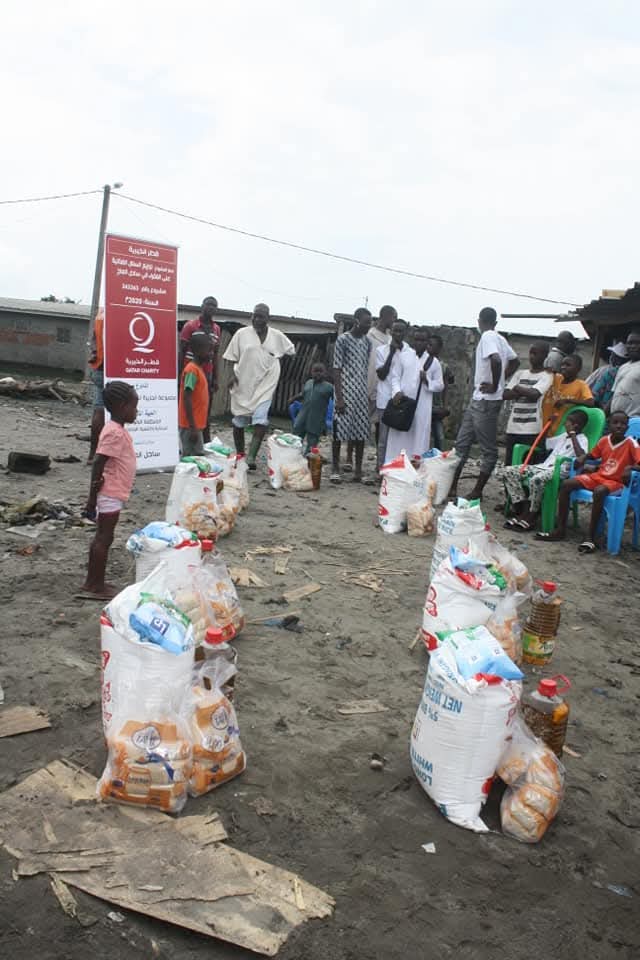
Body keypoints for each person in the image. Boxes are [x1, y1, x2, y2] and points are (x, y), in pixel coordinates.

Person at [537, 411, 640, 552]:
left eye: (623, 424)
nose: (619, 426)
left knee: (599, 491)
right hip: (599, 476)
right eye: (615, 422)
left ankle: (590, 537)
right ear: (609, 425)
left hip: (616, 482)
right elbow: (593, 454)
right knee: (567, 484)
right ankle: (560, 530)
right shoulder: (604, 440)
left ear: (627, 427)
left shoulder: (631, 444)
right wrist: (584, 457)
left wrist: (629, 468)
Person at [449, 307, 519, 500]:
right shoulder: (500, 339)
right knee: (461, 444)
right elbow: (515, 362)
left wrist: (495, 385)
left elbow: (495, 359)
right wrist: (501, 380)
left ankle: (477, 491)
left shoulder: (488, 336)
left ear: (479, 321)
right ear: (495, 322)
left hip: (487, 401)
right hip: (479, 400)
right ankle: (452, 487)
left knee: (488, 450)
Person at [81, 381, 138, 599]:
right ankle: (95, 585)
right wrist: (92, 498)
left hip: (112, 492)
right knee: (104, 538)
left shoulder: (115, 429)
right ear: (122, 407)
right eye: (134, 406)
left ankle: (94, 581)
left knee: (102, 538)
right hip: (109, 493)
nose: (136, 411)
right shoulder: (114, 433)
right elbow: (98, 462)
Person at [223, 303, 295, 469]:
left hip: (266, 383)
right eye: (254, 315)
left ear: (268, 318)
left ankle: (251, 458)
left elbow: (291, 351)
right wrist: (232, 375)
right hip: (244, 382)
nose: (256, 319)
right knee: (239, 421)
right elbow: (232, 356)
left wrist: (274, 361)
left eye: (261, 316)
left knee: (261, 420)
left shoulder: (276, 335)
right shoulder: (242, 334)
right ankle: (240, 455)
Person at [502, 410, 588, 531]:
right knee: (509, 472)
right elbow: (544, 444)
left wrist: (573, 435)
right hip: (543, 467)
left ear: (575, 425)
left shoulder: (583, 439)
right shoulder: (563, 436)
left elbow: (581, 456)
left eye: (567, 422)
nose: (564, 424)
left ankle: (532, 515)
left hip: (559, 471)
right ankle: (522, 509)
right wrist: (549, 426)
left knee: (536, 479)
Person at [384, 326, 444, 463]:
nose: (419, 343)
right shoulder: (404, 356)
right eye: (416, 339)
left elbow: (440, 385)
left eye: (422, 340)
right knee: (398, 437)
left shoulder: (433, 362)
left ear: (427, 342)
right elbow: (395, 377)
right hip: (402, 405)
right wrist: (397, 391)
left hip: (422, 407)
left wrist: (427, 381)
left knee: (418, 437)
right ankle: (393, 466)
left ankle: (414, 468)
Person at [331, 307, 372, 483]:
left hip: (361, 392)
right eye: (366, 322)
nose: (369, 326)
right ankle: (335, 468)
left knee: (360, 431)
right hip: (345, 391)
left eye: (370, 323)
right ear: (357, 321)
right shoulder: (343, 340)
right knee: (338, 430)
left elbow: (365, 367)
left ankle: (358, 470)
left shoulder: (367, 342)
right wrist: (339, 397)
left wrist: (366, 393)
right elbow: (336, 369)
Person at [502, 341, 554, 466]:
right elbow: (505, 395)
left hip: (532, 429)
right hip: (513, 426)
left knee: (527, 464)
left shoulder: (547, 375)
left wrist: (517, 388)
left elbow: (534, 394)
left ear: (545, 356)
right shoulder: (520, 373)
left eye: (535, 353)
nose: (531, 356)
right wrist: (526, 391)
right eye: (531, 353)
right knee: (509, 464)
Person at [179, 296, 221, 444]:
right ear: (202, 306)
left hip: (207, 373)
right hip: (191, 371)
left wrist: (215, 377)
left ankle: (204, 438)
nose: (211, 308)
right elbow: (182, 351)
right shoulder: (190, 326)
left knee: (205, 406)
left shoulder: (216, 329)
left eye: (214, 306)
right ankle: (189, 432)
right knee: (190, 402)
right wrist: (179, 375)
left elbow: (215, 355)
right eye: (208, 304)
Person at [374, 318, 409, 469]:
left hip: (402, 401)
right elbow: (381, 375)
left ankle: (396, 469)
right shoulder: (381, 350)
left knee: (400, 439)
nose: (397, 334)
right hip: (385, 400)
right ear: (391, 331)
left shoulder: (409, 351)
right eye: (395, 331)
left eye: (401, 331)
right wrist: (391, 353)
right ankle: (381, 468)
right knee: (383, 439)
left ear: (405, 333)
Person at [365, 305, 396, 465]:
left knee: (380, 424)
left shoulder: (391, 340)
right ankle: (351, 457)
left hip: (384, 388)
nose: (394, 321)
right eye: (393, 318)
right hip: (368, 383)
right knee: (362, 422)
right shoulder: (369, 337)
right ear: (385, 316)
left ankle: (380, 458)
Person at [288, 361, 334, 453]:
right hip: (303, 415)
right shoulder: (308, 383)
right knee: (296, 437)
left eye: (320, 371)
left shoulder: (329, 387)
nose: (318, 373)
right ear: (311, 372)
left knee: (312, 441)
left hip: (317, 419)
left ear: (325, 373)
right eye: (315, 371)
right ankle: (294, 454)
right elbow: (302, 394)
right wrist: (293, 398)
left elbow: (336, 399)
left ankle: (308, 456)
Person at [178, 331, 210, 456]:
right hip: (190, 426)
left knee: (197, 456)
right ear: (197, 350)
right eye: (208, 350)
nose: (211, 354)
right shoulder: (192, 371)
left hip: (195, 425)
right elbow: (187, 397)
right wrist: (192, 427)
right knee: (192, 459)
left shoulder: (198, 369)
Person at [541, 354, 593, 427]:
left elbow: (590, 403)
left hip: (560, 427)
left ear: (578, 368)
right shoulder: (554, 378)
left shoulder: (581, 385)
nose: (563, 367)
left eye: (568, 365)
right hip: (542, 424)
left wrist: (567, 401)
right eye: (562, 364)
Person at [428, 334, 454, 450]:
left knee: (439, 437)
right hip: (423, 406)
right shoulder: (422, 363)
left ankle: (437, 456)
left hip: (436, 407)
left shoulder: (443, 367)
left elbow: (446, 388)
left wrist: (445, 406)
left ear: (439, 348)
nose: (429, 348)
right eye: (428, 345)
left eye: (432, 345)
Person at [87, 307, 105, 464]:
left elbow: (93, 339)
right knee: (117, 414)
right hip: (113, 368)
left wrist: (96, 352)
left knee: (98, 410)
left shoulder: (101, 312)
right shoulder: (119, 310)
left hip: (99, 366)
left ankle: (93, 454)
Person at [610, 328, 640, 418]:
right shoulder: (623, 367)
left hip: (634, 419)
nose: (633, 346)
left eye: (637, 343)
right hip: (616, 419)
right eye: (630, 343)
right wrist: (604, 414)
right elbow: (615, 394)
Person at [590, 342, 628, 409]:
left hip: (600, 406)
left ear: (617, 359)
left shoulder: (608, 372)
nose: (610, 357)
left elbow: (596, 391)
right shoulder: (628, 372)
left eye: (612, 355)